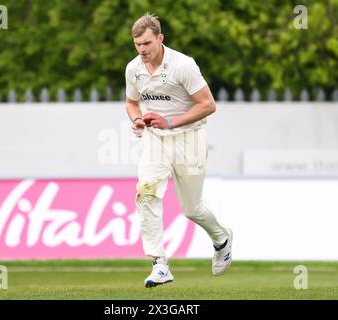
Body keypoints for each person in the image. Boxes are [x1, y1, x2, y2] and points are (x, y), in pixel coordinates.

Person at [125, 13, 233, 288]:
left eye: (147, 43)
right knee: (146, 192)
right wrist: (137, 119)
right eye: (137, 44)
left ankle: (221, 239)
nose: (142, 49)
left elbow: (208, 104)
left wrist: (170, 121)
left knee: (191, 208)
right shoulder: (133, 69)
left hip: (190, 139)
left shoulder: (183, 65)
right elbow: (132, 102)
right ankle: (159, 264)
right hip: (155, 139)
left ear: (160, 39)